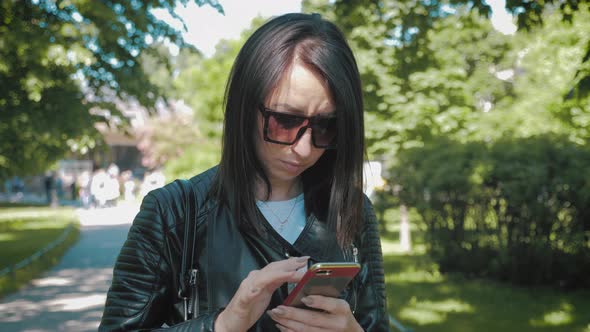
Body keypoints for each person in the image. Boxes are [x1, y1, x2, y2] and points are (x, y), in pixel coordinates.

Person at [100, 13, 390, 331]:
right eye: (285, 121)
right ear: (243, 108)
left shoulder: (353, 210)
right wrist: (223, 325)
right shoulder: (174, 213)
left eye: (326, 126)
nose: (305, 148)